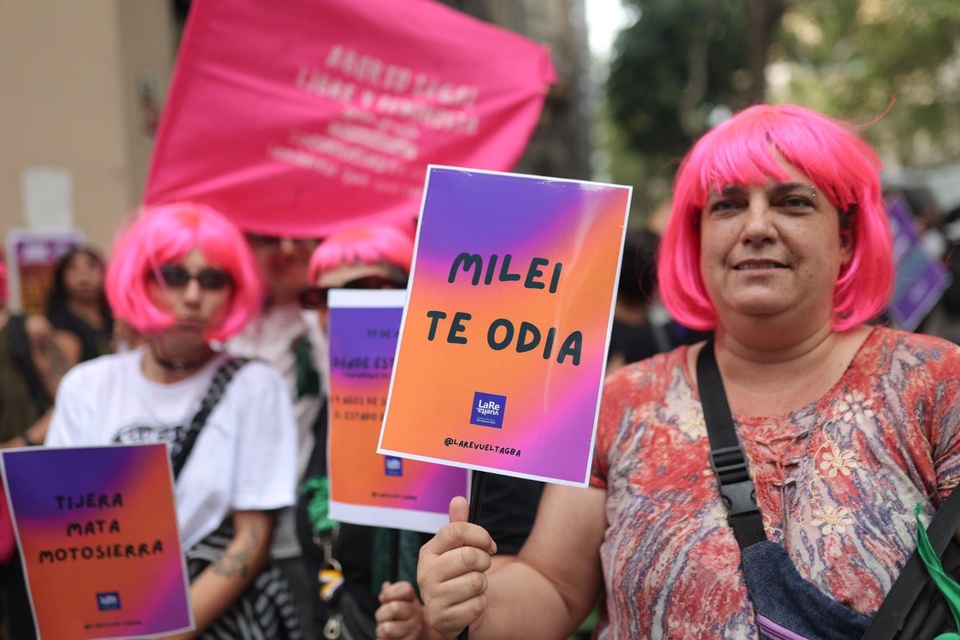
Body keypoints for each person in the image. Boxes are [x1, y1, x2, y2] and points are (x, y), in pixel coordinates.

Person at [416, 103, 960, 639]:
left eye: (792, 202)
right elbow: (552, 587)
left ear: (844, 238)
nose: (756, 226)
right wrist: (473, 598)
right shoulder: (622, 400)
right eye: (727, 205)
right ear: (697, 237)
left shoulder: (935, 381)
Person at [45, 202, 302, 639]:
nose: (193, 296)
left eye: (213, 278)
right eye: (173, 275)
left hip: (217, 618)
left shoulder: (256, 384)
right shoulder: (86, 386)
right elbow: (64, 530)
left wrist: (166, 632)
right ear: (139, 279)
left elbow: (253, 537)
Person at [296, 224, 544, 640]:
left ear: (415, 293)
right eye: (321, 297)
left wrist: (429, 625)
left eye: (365, 286)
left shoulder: (470, 409)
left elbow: (520, 565)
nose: (338, 307)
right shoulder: (334, 403)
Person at [227, 231, 326, 639]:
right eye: (268, 239)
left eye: (302, 238)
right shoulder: (229, 322)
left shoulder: (326, 321)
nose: (287, 249)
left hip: (296, 532)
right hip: (223, 530)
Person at [45, 246, 115, 362]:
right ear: (62, 277)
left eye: (91, 266)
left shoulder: (114, 317)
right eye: (73, 268)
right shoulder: (61, 322)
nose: (83, 278)